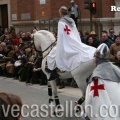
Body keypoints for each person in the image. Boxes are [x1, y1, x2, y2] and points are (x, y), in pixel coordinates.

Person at [47, 6, 96, 72]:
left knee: (52, 53)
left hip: (66, 43)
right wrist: (78, 42)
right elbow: (75, 32)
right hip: (74, 42)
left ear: (61, 13)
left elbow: (61, 35)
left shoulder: (61, 22)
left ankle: (54, 71)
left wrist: (59, 45)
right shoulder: (72, 21)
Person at [85, 43, 120, 120]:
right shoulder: (117, 72)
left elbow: (90, 102)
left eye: (94, 57)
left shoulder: (96, 79)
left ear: (96, 59)